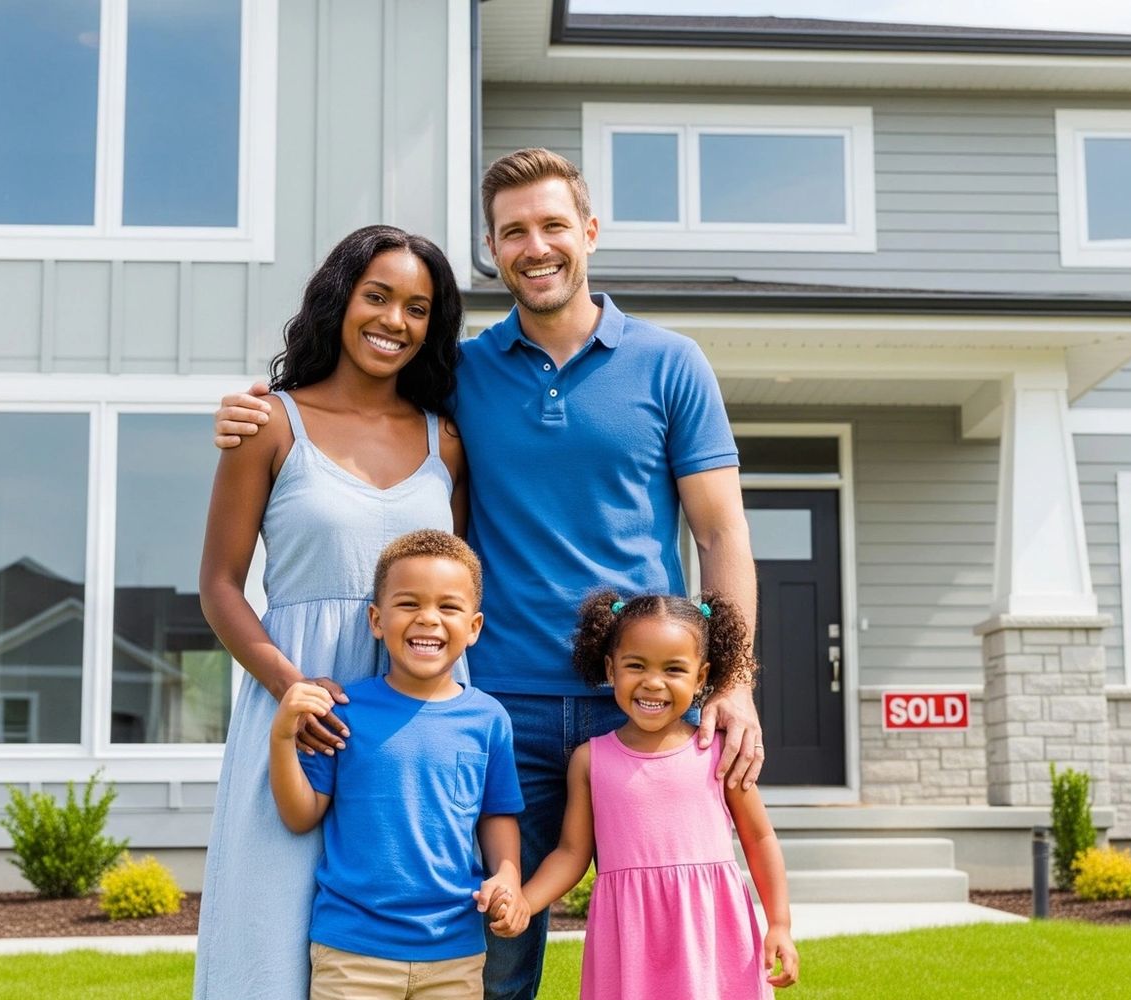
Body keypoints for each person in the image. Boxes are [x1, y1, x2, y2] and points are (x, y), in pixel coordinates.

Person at [215, 148, 764, 1000]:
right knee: (494, 943)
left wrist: (729, 681)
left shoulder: (670, 362)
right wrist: (253, 406)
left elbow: (721, 533)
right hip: (502, 699)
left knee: (683, 925)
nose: (535, 246)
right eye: (514, 232)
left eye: (552, 225)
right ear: (492, 248)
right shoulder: (458, 376)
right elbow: (356, 412)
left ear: (588, 232)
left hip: (649, 700)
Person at [197, 225, 468, 999]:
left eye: (417, 308)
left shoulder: (444, 441)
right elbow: (219, 583)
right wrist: (291, 688)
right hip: (301, 705)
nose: (393, 320)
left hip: (416, 717)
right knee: (271, 927)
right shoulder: (269, 424)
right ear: (339, 299)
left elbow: (460, 582)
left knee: (405, 934)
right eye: (376, 296)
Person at [269, 530, 525, 1000]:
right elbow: (300, 814)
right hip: (352, 952)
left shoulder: (489, 719)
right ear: (376, 620)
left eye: (448, 607)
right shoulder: (344, 710)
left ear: (474, 627)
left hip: (455, 950)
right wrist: (282, 736)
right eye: (408, 604)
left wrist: (507, 875)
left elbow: (496, 813)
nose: (428, 619)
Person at [514, 591, 797, 999]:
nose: (653, 682)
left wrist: (780, 924)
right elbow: (571, 853)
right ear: (611, 668)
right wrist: (527, 900)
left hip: (710, 932)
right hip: (628, 937)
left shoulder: (718, 751)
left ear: (701, 677)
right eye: (636, 665)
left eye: (674, 669)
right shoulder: (589, 760)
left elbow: (759, 838)